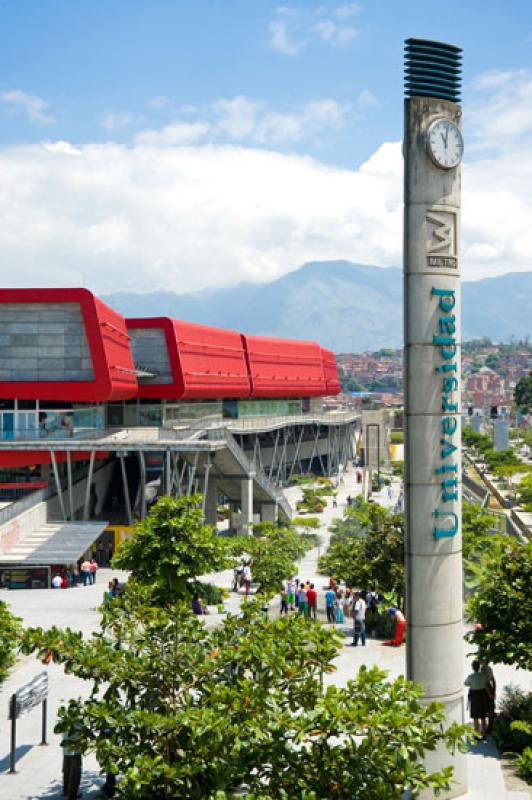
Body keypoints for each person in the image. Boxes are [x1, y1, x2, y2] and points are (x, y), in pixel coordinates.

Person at [464, 660, 489, 740]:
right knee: (483, 716)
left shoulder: (471, 676)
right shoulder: (483, 676)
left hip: (474, 696)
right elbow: (486, 682)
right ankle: (483, 734)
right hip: (482, 695)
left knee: (475, 716)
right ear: (479, 667)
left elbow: (465, 683)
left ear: (472, 667)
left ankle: (476, 734)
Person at [61, 727, 82, 800]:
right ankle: (72, 795)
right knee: (75, 774)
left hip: (66, 749)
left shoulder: (63, 718)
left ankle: (66, 791)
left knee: (66, 770)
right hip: (75, 750)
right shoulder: (78, 719)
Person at [480, 661, 496, 734]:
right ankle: (491, 726)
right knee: (491, 708)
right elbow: (493, 680)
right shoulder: (489, 668)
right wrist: (494, 691)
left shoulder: (483, 669)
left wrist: (489, 694)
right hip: (491, 687)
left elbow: (484, 683)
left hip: (485, 690)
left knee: (487, 710)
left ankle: (487, 728)